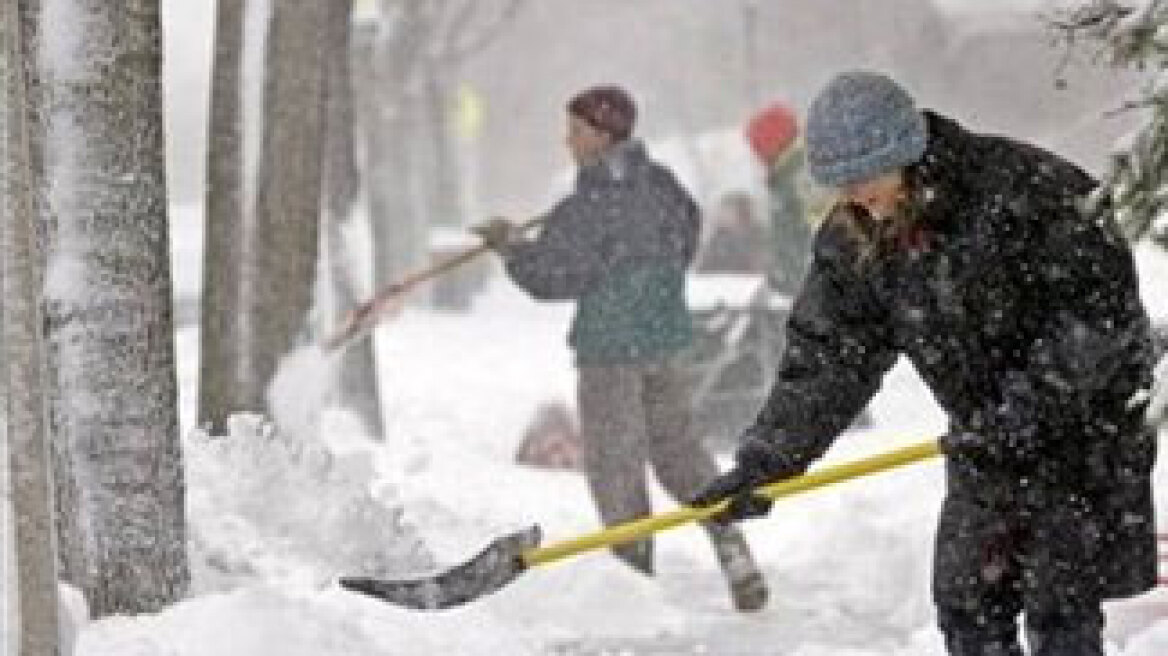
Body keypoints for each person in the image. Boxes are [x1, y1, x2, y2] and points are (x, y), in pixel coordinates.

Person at [691, 71, 1158, 653]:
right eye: (839, 182)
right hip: (983, 443)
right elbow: (829, 356)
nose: (853, 195)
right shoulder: (858, 236)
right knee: (967, 604)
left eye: (863, 177)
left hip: (1081, 434)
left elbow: (1099, 317)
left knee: (1059, 610)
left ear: (904, 153)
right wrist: (767, 460)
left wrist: (1030, 405)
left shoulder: (1025, 190)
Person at [473, 84, 768, 612]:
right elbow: (688, 237)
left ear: (602, 134)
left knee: (616, 463)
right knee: (680, 453)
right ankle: (731, 544)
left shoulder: (587, 205)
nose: (567, 141)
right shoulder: (663, 186)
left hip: (610, 351)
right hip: (667, 342)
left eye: (575, 130)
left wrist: (510, 248)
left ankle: (635, 583)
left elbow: (550, 276)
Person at [745, 102, 816, 296]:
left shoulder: (800, 175)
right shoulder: (789, 174)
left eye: (757, 146)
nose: (757, 156)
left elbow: (820, 227)